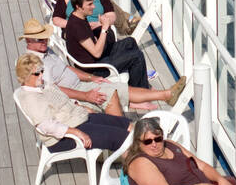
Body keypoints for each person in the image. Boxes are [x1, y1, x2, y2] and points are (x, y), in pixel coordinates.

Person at [18, 19, 185, 114]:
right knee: (111, 93)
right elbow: (54, 90)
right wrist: (85, 95)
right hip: (72, 97)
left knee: (115, 86)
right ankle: (120, 143)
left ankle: (166, 94)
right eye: (39, 39)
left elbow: (66, 69)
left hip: (80, 83)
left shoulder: (48, 52)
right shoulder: (33, 64)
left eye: (45, 38)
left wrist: (91, 77)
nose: (44, 41)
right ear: (28, 41)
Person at [15, 53, 131, 153]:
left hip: (78, 117)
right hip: (63, 137)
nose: (41, 75)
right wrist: (76, 132)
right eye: (37, 73)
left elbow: (62, 98)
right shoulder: (30, 98)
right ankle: (135, 167)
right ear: (25, 77)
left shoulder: (43, 85)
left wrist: (81, 106)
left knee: (125, 124)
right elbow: (47, 126)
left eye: (42, 71)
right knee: (123, 138)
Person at [65, 0, 150, 88]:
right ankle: (141, 91)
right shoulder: (77, 26)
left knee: (130, 41)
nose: (93, 6)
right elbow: (96, 53)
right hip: (95, 68)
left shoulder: (78, 17)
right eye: (89, 4)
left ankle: (137, 79)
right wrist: (104, 28)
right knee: (137, 56)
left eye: (93, 3)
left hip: (95, 59)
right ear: (78, 6)